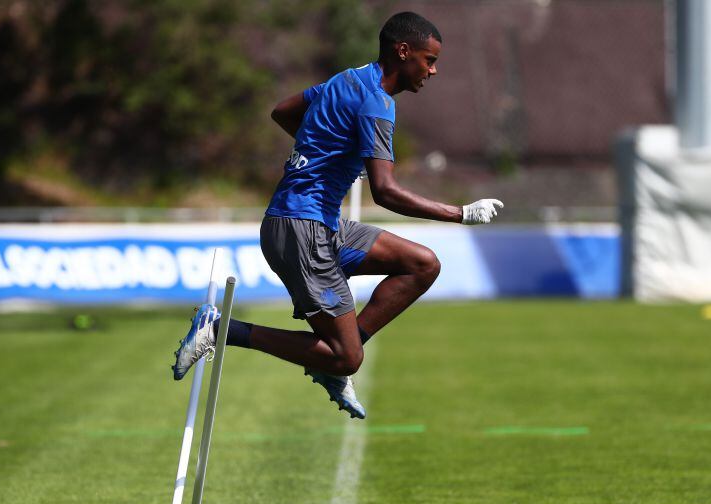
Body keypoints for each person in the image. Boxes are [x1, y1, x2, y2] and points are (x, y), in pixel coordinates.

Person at [172, 11, 503, 419]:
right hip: (302, 229)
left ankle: (333, 361)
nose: (432, 71)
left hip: (314, 224)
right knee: (348, 359)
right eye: (428, 60)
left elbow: (283, 111)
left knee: (421, 264)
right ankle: (223, 329)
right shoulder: (377, 104)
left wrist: (329, 152)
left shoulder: (346, 79)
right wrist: (460, 214)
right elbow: (385, 193)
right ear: (403, 52)